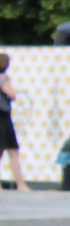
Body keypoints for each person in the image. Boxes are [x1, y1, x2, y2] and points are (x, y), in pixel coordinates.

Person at [0, 53, 21, 190]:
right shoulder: (3, 78)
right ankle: (21, 184)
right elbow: (10, 93)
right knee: (13, 151)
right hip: (3, 117)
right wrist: (14, 93)